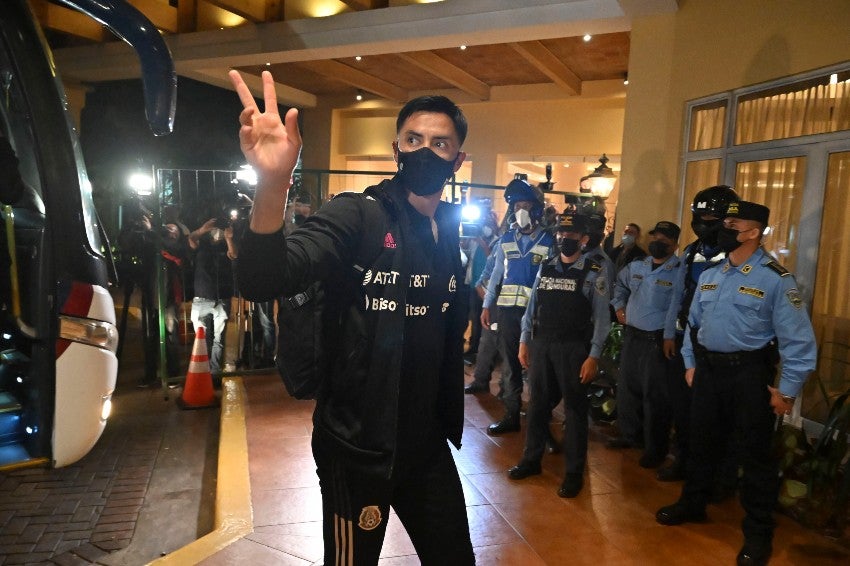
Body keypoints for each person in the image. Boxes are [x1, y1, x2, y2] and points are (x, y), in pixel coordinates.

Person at [229, 70, 475, 564]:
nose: (425, 151)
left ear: (458, 159)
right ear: (396, 149)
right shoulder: (358, 215)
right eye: (414, 139)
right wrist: (273, 184)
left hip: (426, 446)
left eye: (440, 143)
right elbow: (263, 279)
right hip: (358, 450)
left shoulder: (447, 233)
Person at [656, 200, 817, 566]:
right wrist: (691, 363)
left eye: (732, 222)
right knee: (699, 441)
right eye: (724, 221)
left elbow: (799, 342)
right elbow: (691, 324)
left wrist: (787, 391)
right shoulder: (712, 275)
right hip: (708, 372)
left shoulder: (776, 278)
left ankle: (759, 533)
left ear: (754, 231)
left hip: (748, 374)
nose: (723, 228)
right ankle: (693, 503)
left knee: (755, 455)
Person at [507, 213, 610, 498]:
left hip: (574, 348)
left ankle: (574, 473)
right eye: (561, 235)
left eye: (572, 235)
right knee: (538, 405)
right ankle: (531, 460)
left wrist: (594, 356)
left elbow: (602, 319)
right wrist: (523, 341)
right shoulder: (546, 267)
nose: (565, 239)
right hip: (542, 345)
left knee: (575, 412)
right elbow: (531, 309)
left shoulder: (593, 272)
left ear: (583, 239)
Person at [657, 185, 740, 483]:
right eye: (699, 216)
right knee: (682, 407)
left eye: (710, 217)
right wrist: (669, 333)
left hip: (716, 346)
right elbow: (679, 294)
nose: (704, 222)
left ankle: (716, 475)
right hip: (683, 342)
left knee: (716, 414)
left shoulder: (736, 254)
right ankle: (684, 460)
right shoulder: (692, 252)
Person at [481, 178, 553, 435]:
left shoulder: (549, 241)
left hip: (537, 316)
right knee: (510, 366)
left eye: (526, 204)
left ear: (536, 208)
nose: (521, 209)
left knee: (536, 371)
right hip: (508, 313)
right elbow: (496, 274)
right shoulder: (506, 239)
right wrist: (487, 305)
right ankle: (511, 415)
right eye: (517, 205)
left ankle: (539, 424)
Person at [608, 221, 682, 469]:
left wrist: (669, 336)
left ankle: (655, 448)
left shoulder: (678, 271)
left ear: (674, 245)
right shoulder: (638, 266)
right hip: (633, 336)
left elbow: (675, 308)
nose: (658, 243)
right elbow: (619, 285)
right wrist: (619, 306)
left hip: (656, 341)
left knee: (655, 397)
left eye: (665, 240)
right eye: (656, 237)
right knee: (628, 388)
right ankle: (630, 435)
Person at [187, 214, 238, 375]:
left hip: (222, 296)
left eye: (219, 229)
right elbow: (191, 240)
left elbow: (234, 254)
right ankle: (203, 370)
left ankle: (215, 372)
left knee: (219, 338)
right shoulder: (202, 245)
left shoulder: (226, 245)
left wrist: (229, 238)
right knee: (202, 338)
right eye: (214, 229)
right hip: (202, 295)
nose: (216, 232)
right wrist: (202, 230)